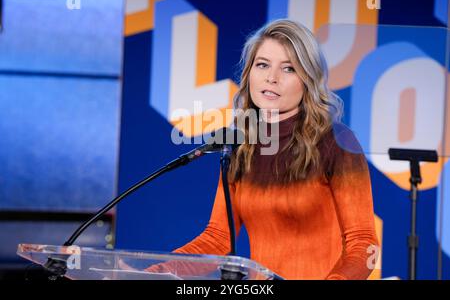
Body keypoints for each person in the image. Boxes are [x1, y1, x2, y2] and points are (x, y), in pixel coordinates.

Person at [155, 19, 379, 280]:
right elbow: (217, 239)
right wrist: (152, 274)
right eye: (262, 65)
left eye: (289, 69)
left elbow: (363, 243)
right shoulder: (239, 145)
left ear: (307, 79)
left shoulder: (337, 141)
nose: (272, 78)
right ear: (249, 73)